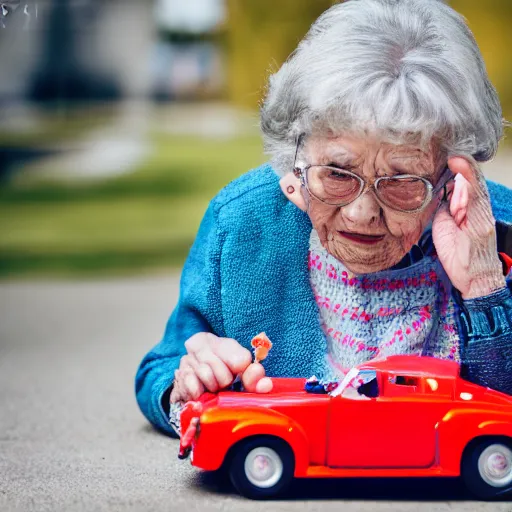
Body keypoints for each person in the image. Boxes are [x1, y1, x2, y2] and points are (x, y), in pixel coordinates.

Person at [135, 0, 512, 436]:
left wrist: (485, 288)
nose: (361, 212)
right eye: (337, 173)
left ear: (451, 173)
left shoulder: (499, 228)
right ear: (296, 154)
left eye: (402, 179)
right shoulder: (241, 224)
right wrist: (189, 388)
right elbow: (161, 367)